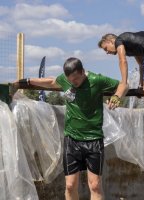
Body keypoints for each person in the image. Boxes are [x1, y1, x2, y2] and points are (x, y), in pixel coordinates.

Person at [13, 57, 121, 200]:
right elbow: (51, 82)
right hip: (72, 140)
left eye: (76, 79)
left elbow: (121, 84)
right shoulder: (66, 80)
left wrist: (117, 96)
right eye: (70, 80)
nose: (73, 83)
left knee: (95, 185)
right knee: (70, 185)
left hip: (94, 139)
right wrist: (25, 81)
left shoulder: (97, 80)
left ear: (83, 72)